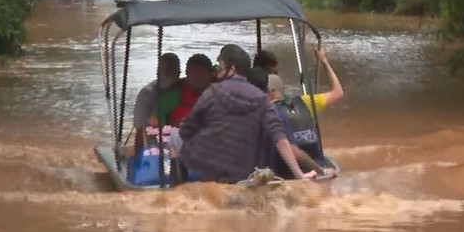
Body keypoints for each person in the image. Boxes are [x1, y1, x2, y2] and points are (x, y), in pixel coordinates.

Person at [177, 44, 316, 183]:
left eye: (220, 65)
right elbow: (280, 139)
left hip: (215, 178)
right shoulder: (261, 99)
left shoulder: (211, 92)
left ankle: (179, 185)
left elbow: (186, 131)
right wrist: (300, 175)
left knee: (174, 137)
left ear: (232, 69)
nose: (217, 69)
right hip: (250, 177)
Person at [265, 47, 344, 178]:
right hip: (318, 164)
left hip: (289, 172)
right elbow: (338, 92)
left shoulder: (266, 112)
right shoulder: (306, 102)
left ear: (269, 93)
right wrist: (324, 61)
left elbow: (291, 149)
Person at [130, 53, 182, 156]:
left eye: (171, 72)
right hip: (155, 145)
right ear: (158, 73)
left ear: (178, 74)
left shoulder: (182, 90)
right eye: (165, 72)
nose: (168, 76)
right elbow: (140, 129)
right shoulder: (148, 94)